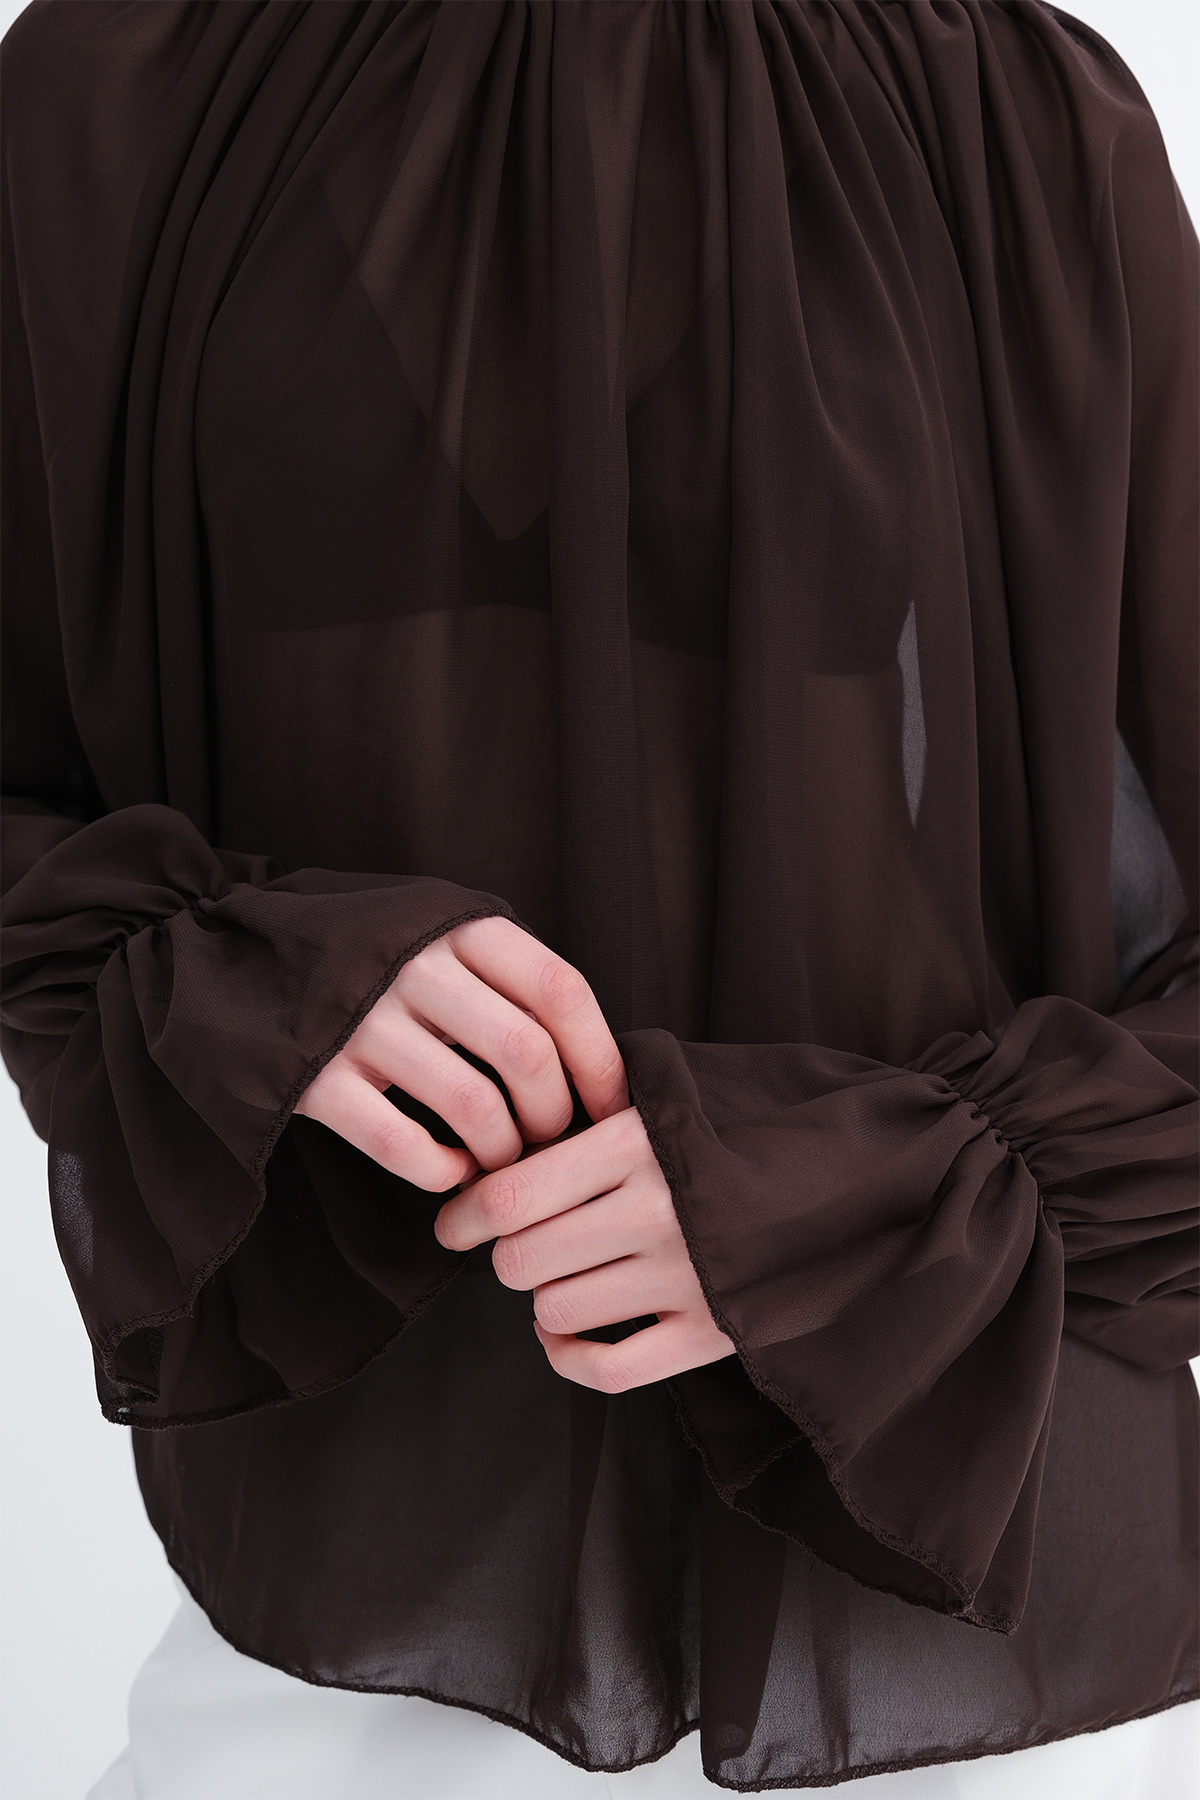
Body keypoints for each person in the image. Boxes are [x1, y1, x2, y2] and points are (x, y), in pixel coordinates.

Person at [1, 1, 1196, 1794]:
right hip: (343, 1643)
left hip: (966, 1622)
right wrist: (244, 974)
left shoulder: (1019, 115)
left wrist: (860, 1203)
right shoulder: (120, 84)